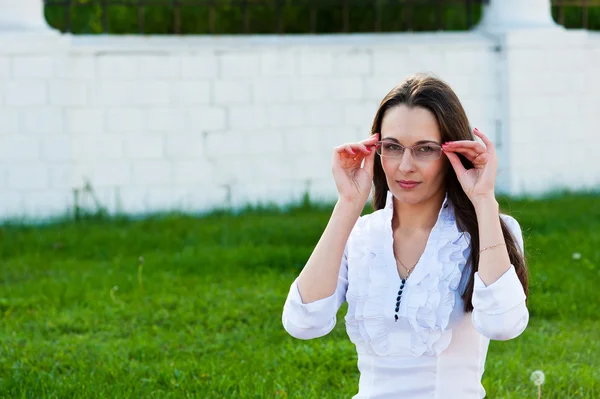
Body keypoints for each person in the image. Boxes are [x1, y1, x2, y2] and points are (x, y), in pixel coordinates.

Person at [281, 73, 529, 399]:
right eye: (393, 147)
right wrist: (348, 204)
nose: (405, 166)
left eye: (425, 149)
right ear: (376, 150)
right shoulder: (360, 235)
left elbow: (504, 325)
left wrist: (483, 199)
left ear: (453, 153)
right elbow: (303, 322)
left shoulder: (492, 229)